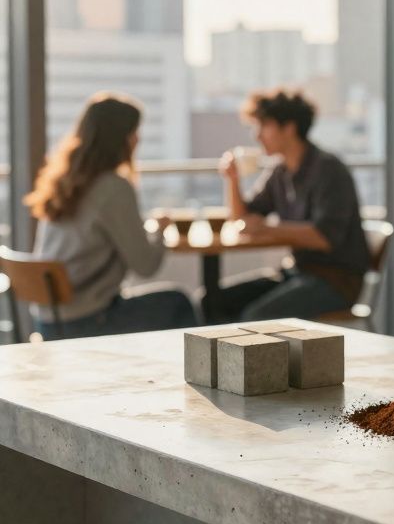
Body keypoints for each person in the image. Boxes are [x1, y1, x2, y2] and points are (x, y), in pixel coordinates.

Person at [25, 93, 198, 339]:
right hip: (87, 322)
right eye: (134, 132)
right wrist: (161, 231)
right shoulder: (113, 187)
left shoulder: (63, 183)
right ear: (122, 138)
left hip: (47, 322)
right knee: (178, 303)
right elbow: (146, 265)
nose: (138, 139)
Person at [203, 89, 369, 324]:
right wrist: (232, 180)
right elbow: (244, 218)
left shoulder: (329, 170)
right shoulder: (280, 171)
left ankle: (254, 361)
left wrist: (268, 229)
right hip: (296, 273)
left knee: (257, 318)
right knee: (212, 302)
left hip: (335, 281)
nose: (257, 136)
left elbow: (324, 237)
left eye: (263, 126)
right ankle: (217, 361)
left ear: (289, 128)